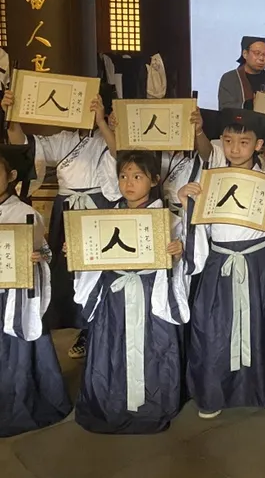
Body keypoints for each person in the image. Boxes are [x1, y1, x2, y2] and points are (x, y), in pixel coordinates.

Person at [180, 108, 265, 418]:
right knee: (213, 327)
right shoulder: (209, 180)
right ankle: (213, 393)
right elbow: (198, 225)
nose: (235, 149)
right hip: (218, 262)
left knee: (261, 326)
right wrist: (187, 201)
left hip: (257, 264)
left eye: (243, 142)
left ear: (258, 145)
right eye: (228, 141)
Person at [73, 151, 189, 434]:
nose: (129, 183)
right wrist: (77, 249)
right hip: (114, 295)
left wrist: (179, 251)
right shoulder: (107, 216)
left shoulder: (169, 217)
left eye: (137, 176)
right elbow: (93, 252)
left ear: (154, 180)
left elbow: (185, 252)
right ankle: (111, 400)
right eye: (123, 176)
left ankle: (154, 402)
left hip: (151, 292)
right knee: (113, 343)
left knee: (153, 346)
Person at [2, 85, 119, 359]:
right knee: (67, 271)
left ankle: (96, 326)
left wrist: (102, 123)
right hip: (66, 208)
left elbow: (121, 155)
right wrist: (12, 117)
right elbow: (25, 146)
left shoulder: (110, 135)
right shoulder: (64, 139)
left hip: (97, 208)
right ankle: (78, 325)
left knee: (97, 270)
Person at [0, 145, 71, 437]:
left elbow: (45, 254)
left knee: (16, 351)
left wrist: (36, 258)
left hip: (14, 297)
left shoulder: (26, 213)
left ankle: (18, 401)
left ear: (11, 176)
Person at [217, 36, 265, 148]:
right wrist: (252, 103)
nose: (261, 58)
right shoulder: (230, 78)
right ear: (245, 54)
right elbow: (225, 110)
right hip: (240, 141)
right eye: (257, 53)